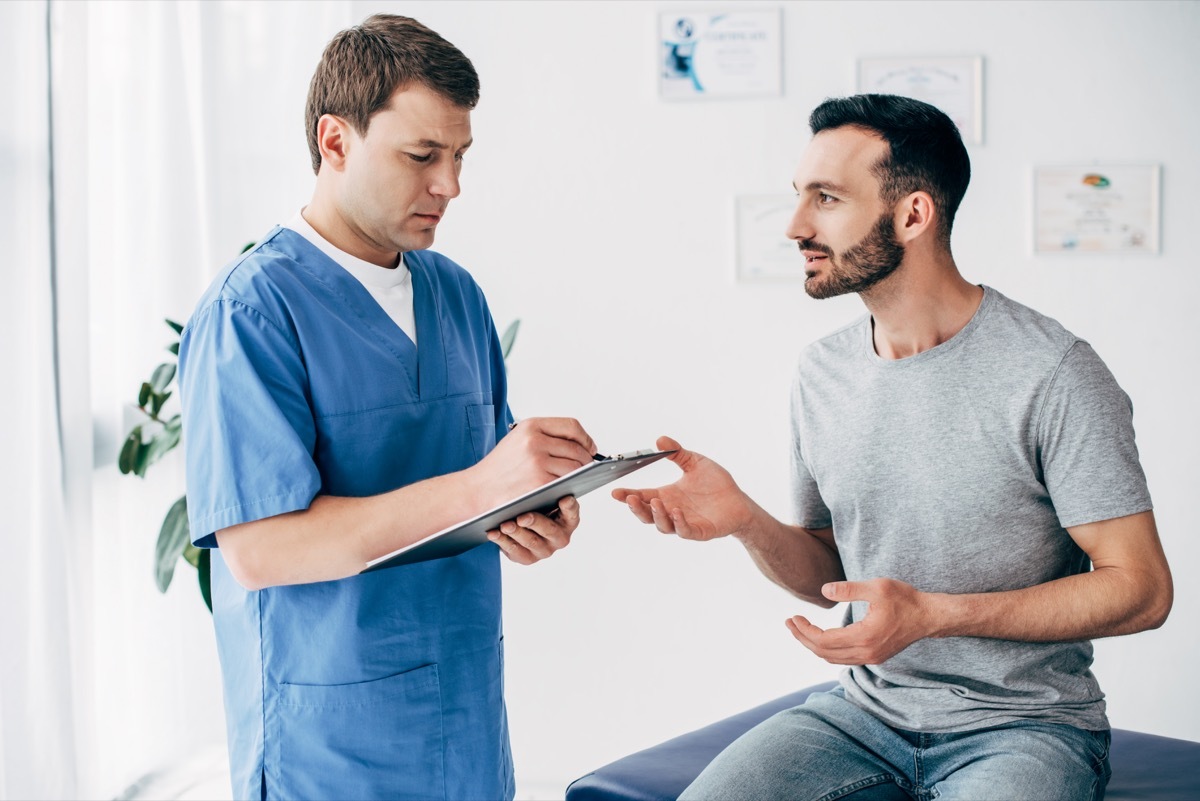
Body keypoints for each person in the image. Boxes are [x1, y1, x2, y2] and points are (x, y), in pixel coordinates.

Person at [614, 94, 1172, 800]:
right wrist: (745, 520)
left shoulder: (1052, 371)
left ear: (912, 214)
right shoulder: (823, 371)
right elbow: (831, 576)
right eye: (798, 196)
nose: (794, 226)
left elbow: (1143, 588)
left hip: (1024, 726)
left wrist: (937, 614)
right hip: (861, 715)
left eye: (826, 199)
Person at [178, 15, 597, 801]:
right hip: (329, 749)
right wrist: (480, 488)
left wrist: (531, 510)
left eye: (460, 156)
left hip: (465, 730)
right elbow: (260, 549)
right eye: (421, 156)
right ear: (334, 141)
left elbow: (479, 484)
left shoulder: (457, 295)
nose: (450, 184)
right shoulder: (252, 312)